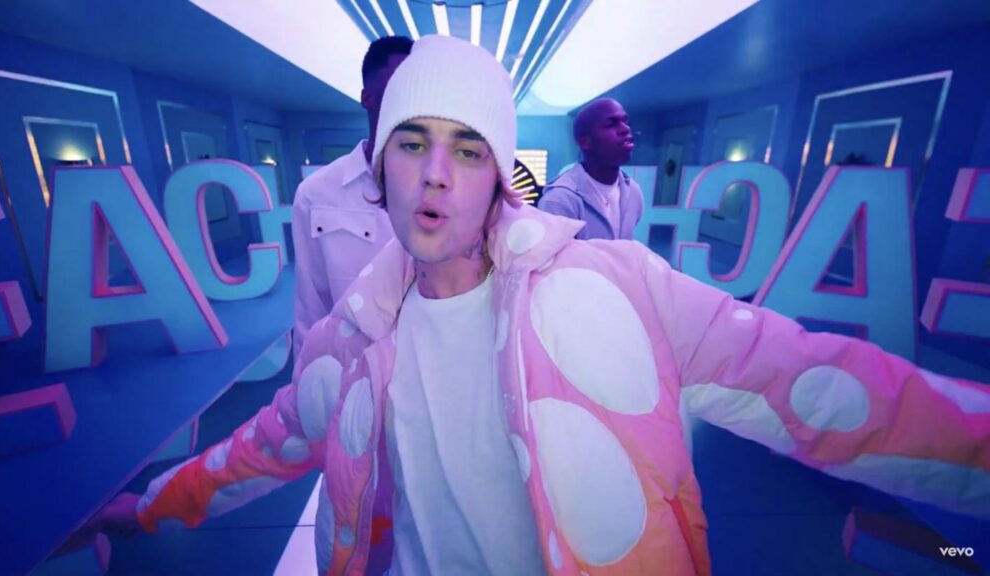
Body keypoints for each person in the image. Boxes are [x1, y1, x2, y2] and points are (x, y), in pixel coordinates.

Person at [90, 35, 988, 575]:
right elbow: (261, 447)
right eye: (411, 143)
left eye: (467, 149)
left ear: (498, 175)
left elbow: (822, 384)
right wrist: (149, 506)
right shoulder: (348, 342)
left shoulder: (621, 288)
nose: (435, 175)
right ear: (380, 164)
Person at [292, 35, 413, 358]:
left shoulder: (443, 189)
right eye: (396, 87)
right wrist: (306, 378)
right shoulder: (317, 193)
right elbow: (310, 305)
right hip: (349, 366)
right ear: (367, 97)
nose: (408, 100)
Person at [538, 98, 644, 240]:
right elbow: (552, 253)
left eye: (625, 122)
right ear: (585, 142)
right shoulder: (559, 200)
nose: (625, 129)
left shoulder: (633, 192)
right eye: (611, 124)